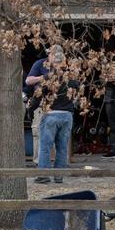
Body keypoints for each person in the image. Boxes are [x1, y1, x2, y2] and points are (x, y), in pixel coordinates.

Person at [34, 48, 78, 183]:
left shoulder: (49, 77)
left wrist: (31, 110)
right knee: (62, 147)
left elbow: (38, 95)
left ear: (53, 63)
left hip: (51, 113)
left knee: (45, 146)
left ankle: (43, 175)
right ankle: (59, 176)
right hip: (67, 115)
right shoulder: (72, 78)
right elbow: (77, 95)